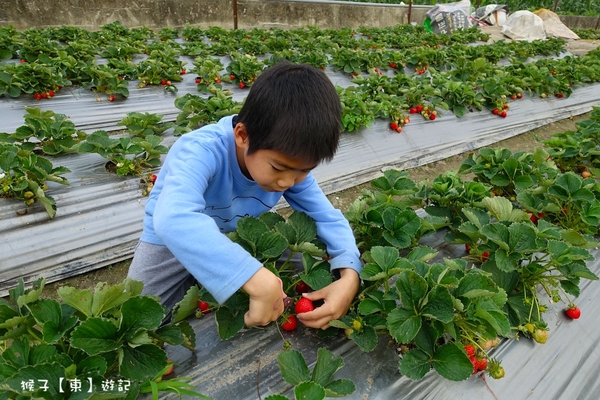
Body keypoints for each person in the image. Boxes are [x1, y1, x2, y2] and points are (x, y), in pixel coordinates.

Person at [127, 61, 361, 329]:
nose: (288, 182)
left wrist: (350, 274)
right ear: (242, 135)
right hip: (169, 243)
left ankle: (216, 277)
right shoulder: (200, 150)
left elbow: (326, 217)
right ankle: (210, 278)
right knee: (137, 317)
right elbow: (172, 220)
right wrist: (253, 277)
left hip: (240, 236)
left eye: (303, 171)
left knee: (319, 270)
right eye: (278, 168)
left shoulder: (289, 167)